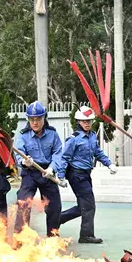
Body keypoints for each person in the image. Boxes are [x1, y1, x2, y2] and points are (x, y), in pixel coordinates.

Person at [57, 106, 118, 244]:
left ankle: (58, 219)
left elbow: (98, 152)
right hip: (76, 175)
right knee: (89, 205)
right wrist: (61, 176)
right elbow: (65, 157)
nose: (87, 123)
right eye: (84, 121)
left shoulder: (92, 136)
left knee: (82, 207)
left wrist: (109, 164)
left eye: (89, 121)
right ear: (78, 121)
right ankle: (86, 235)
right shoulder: (74, 139)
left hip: (86, 174)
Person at [13, 101, 64, 237]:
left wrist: (52, 168)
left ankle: (53, 237)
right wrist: (24, 162)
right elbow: (18, 155)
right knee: (23, 203)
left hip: (47, 173)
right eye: (32, 119)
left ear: (44, 118)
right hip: (30, 173)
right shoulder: (23, 136)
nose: (35, 122)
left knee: (54, 207)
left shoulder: (53, 134)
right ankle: (20, 238)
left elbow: (58, 153)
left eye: (38, 119)